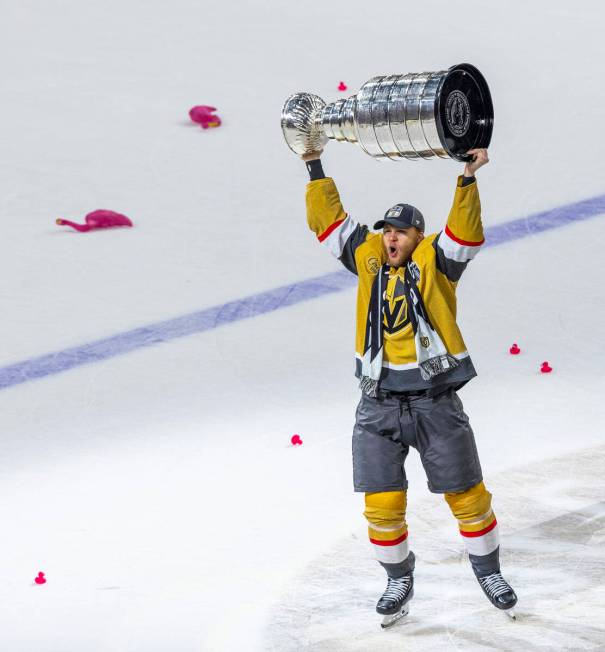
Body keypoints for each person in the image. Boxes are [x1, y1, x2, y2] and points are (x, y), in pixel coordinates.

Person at [302, 148, 517, 628]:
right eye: (386, 230)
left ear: (418, 236)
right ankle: (398, 577)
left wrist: (467, 177)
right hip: (377, 404)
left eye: (401, 230)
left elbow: (466, 234)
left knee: (468, 497)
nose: (390, 236)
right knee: (381, 505)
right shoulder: (368, 260)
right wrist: (314, 164)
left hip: (434, 400)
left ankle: (489, 571)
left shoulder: (437, 262)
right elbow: (329, 222)